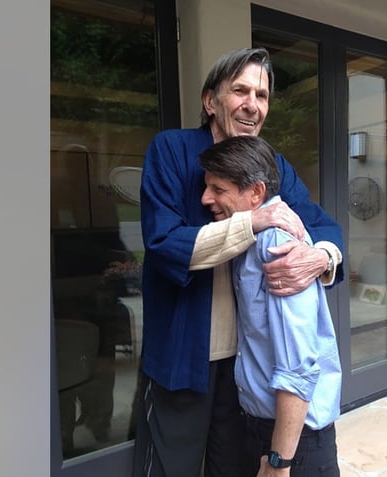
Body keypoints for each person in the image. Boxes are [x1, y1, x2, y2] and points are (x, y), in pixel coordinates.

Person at [133, 47, 344, 477]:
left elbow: (323, 226)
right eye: (241, 91)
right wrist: (254, 220)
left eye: (262, 95)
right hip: (184, 359)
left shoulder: (272, 165)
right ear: (210, 102)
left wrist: (319, 256)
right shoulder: (172, 151)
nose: (253, 104)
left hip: (245, 373)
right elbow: (164, 243)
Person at [199, 135, 341, 477]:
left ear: (256, 193)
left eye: (218, 189)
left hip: (297, 443)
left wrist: (280, 461)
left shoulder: (278, 245)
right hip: (266, 430)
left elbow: (298, 367)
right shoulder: (248, 239)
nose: (206, 199)